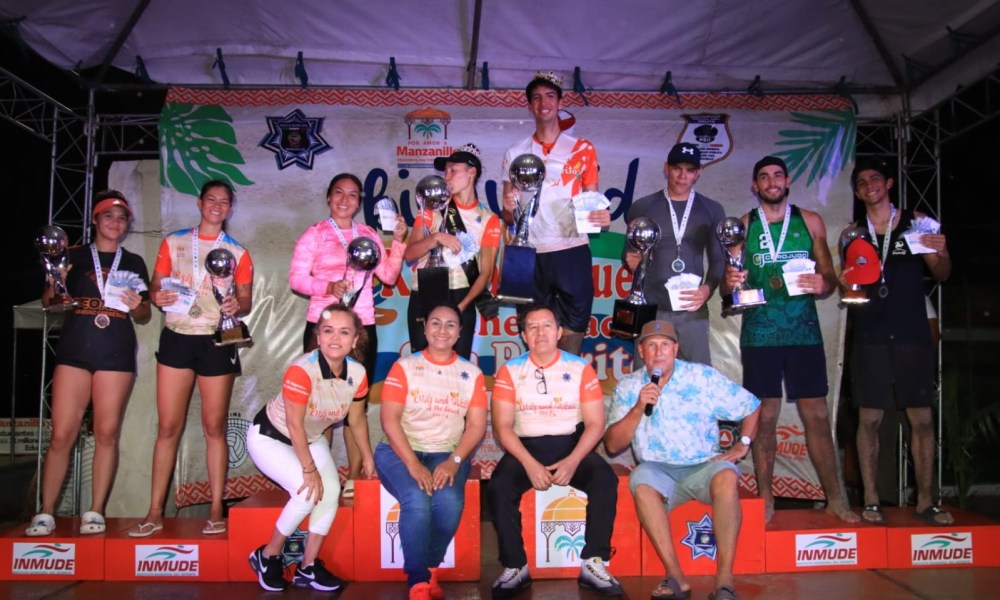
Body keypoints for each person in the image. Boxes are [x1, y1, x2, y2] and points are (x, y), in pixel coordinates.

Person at [720, 156, 857, 523]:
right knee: (765, 418)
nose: (771, 182)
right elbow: (727, 286)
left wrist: (824, 283)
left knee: (817, 415)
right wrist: (729, 283)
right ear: (755, 185)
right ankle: (766, 499)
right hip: (760, 334)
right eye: (764, 177)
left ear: (787, 180)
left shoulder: (810, 221)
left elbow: (829, 278)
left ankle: (835, 498)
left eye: (777, 176)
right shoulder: (743, 226)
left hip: (803, 332)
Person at [130, 179, 254, 537]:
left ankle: (216, 510)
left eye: (224, 201)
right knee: (168, 428)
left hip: (217, 339)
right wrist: (156, 296)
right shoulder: (174, 242)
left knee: (214, 427)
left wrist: (236, 305)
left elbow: (245, 300)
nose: (217, 205)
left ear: (231, 208)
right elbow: (156, 285)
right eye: (211, 199)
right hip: (177, 337)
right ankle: (154, 511)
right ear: (200, 203)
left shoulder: (239, 252)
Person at [605, 320, 760, 600]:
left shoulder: (702, 377)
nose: (659, 352)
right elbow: (613, 445)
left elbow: (751, 406)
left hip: (703, 465)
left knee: (727, 475)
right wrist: (639, 407)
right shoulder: (629, 386)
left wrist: (743, 444)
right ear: (641, 351)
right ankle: (676, 577)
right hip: (658, 470)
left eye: (665, 345)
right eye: (652, 345)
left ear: (675, 349)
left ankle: (725, 581)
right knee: (641, 480)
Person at [26, 191, 151, 537]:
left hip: (116, 354)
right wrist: (54, 281)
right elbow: (50, 304)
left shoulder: (134, 262)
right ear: (95, 220)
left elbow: (143, 315)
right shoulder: (73, 255)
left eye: (122, 218)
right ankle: (46, 512)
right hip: (75, 352)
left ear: (127, 225)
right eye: (108, 216)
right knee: (62, 435)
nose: (115, 222)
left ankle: (95, 511)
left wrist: (137, 304)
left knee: (106, 434)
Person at [841, 157, 953, 526]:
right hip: (870, 334)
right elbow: (851, 286)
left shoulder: (919, 222)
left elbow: (942, 273)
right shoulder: (853, 233)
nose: (868, 186)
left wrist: (940, 251)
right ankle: (871, 501)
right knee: (869, 418)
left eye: (875, 179)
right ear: (857, 192)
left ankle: (926, 501)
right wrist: (845, 283)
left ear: (889, 183)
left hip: (911, 333)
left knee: (921, 418)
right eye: (861, 182)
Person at [488, 303, 621, 598]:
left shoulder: (580, 368)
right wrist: (529, 464)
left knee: (604, 479)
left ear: (559, 332)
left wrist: (573, 461)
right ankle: (515, 565)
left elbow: (596, 424)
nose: (541, 333)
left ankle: (594, 561)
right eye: (532, 327)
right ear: (524, 335)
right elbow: (502, 427)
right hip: (526, 447)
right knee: (499, 485)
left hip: (571, 445)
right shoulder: (510, 371)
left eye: (547, 325)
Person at [289, 172, 407, 500]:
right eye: (339, 193)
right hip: (323, 326)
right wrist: (326, 286)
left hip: (361, 327)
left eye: (353, 195)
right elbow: (296, 279)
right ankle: (322, 476)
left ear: (359, 203)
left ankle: (355, 476)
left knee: (356, 404)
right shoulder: (315, 234)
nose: (345, 199)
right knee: (319, 406)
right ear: (329, 197)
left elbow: (389, 276)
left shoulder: (368, 234)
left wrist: (398, 241)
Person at [247, 304, 374, 592]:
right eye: (328, 331)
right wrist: (309, 470)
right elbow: (294, 425)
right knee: (307, 492)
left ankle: (308, 566)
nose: (335, 338)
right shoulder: (301, 370)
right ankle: (267, 555)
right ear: (318, 336)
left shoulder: (357, 373)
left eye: (344, 332)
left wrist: (367, 458)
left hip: (311, 438)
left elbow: (356, 419)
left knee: (330, 492)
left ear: (355, 339)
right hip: (270, 437)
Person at [375, 302, 488, 600]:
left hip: (446, 454)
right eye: (435, 323)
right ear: (424, 328)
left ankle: (430, 568)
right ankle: (418, 580)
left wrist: (455, 460)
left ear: (460, 332)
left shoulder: (471, 373)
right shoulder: (404, 367)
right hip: (398, 451)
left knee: (449, 503)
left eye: (451, 324)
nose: (442, 330)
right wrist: (412, 464)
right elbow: (389, 419)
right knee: (416, 498)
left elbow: (476, 426)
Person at [500, 72, 610, 356]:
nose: (543, 103)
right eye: (536, 98)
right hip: (529, 252)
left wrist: (600, 217)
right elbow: (508, 215)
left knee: (574, 323)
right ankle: (536, 380)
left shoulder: (583, 149)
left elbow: (592, 203)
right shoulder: (515, 152)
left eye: (550, 96)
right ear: (529, 106)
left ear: (560, 102)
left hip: (570, 249)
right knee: (533, 326)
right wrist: (510, 207)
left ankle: (567, 376)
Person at [623, 142, 726, 366]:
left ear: (698, 173)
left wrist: (707, 289)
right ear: (666, 168)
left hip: (691, 308)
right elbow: (629, 252)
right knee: (648, 375)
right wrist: (630, 259)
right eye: (677, 168)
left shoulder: (712, 209)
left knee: (698, 376)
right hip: (650, 307)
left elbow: (719, 260)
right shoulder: (642, 206)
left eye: (689, 170)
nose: (682, 175)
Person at [404, 144, 501, 357]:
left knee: (459, 366)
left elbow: (486, 273)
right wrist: (435, 238)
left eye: (452, 170)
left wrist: (461, 307)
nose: (446, 176)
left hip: (462, 295)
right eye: (445, 171)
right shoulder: (431, 208)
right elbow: (410, 254)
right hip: (425, 289)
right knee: (421, 363)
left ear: (471, 172)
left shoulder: (489, 218)